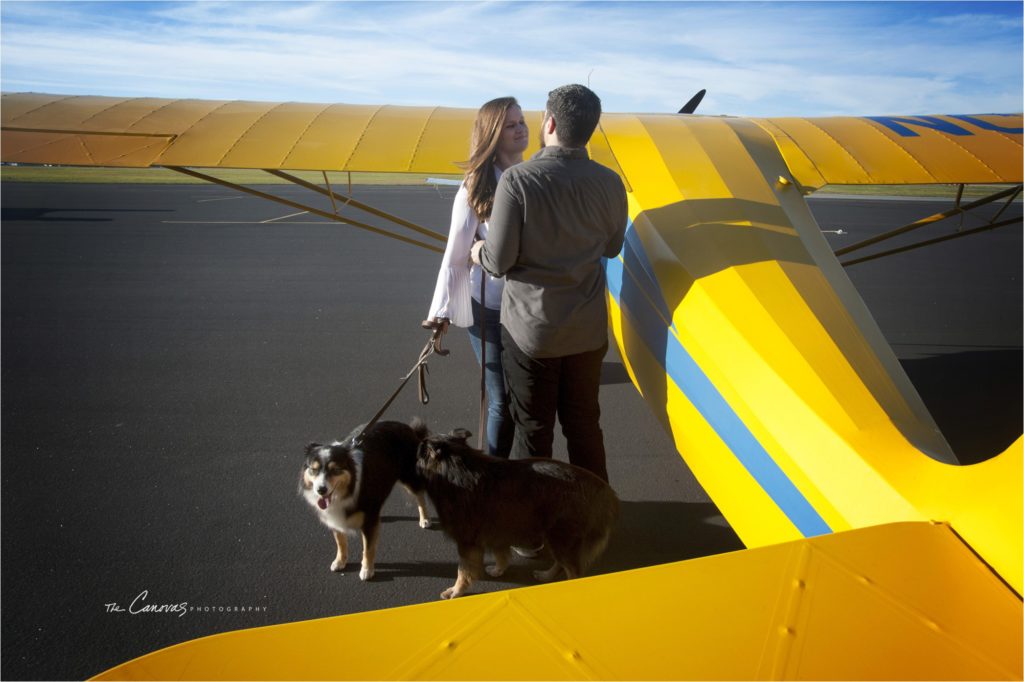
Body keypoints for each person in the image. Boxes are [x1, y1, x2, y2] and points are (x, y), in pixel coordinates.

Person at [470, 84, 627, 483]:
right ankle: (596, 520)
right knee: (584, 427)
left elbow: (499, 261)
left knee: (534, 433)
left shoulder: (518, 181)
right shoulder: (611, 183)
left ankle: (533, 537)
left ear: (550, 122)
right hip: (588, 331)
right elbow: (612, 247)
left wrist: (476, 253)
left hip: (531, 333)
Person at [423, 96, 529, 458]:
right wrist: (441, 312)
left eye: (522, 121)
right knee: (501, 399)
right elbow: (455, 255)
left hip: (528, 308)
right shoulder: (474, 188)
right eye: (511, 125)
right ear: (493, 135)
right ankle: (496, 476)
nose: (521, 129)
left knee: (525, 400)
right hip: (488, 310)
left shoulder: (532, 177)